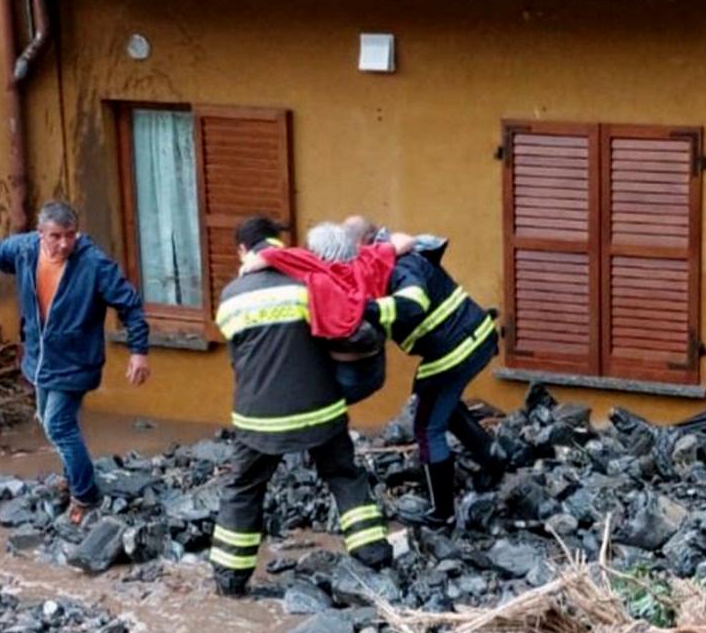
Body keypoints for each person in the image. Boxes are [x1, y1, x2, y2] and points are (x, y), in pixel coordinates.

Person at [0, 201, 150, 525]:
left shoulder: (94, 265)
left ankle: (86, 497)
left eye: (70, 235)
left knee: (58, 425)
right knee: (49, 420)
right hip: (40, 360)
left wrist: (138, 351)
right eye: (56, 236)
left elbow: (130, 304)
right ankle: (75, 476)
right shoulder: (25, 250)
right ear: (40, 234)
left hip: (75, 362)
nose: (63, 243)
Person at [210, 216, 394, 597]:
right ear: (280, 244)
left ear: (243, 251)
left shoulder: (231, 296)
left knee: (243, 487)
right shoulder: (311, 280)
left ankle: (230, 580)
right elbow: (346, 332)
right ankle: (373, 554)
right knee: (344, 475)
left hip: (257, 416)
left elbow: (238, 354)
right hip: (319, 410)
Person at [307, 219, 507, 529]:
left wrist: (365, 308)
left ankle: (442, 513)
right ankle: (493, 457)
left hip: (455, 348)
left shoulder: (399, 266)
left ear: (367, 245)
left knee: (427, 426)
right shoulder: (391, 260)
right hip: (471, 337)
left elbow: (413, 304)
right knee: (444, 407)